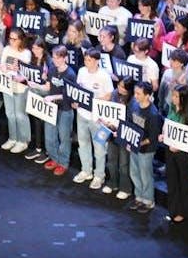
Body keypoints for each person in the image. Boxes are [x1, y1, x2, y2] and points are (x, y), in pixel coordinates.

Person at [72, 49, 114, 189]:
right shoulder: (82, 71)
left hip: (98, 118)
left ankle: (99, 176)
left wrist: (93, 101)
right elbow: (78, 89)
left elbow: (109, 95)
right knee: (83, 143)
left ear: (97, 61)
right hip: (82, 114)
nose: (86, 62)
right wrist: (76, 101)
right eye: (85, 59)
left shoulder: (104, 76)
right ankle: (86, 170)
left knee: (99, 148)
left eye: (89, 60)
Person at [162, 84, 188, 224]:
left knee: (184, 182)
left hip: (184, 154)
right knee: (172, 180)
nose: (173, 98)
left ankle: (184, 212)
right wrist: (164, 135)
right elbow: (168, 124)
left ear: (184, 98)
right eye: (173, 95)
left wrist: (180, 147)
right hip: (170, 150)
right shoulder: (172, 108)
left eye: (176, 96)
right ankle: (173, 210)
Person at [38, 45, 77, 176]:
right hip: (52, 108)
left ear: (65, 58)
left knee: (64, 138)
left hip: (65, 109)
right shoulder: (52, 69)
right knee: (49, 136)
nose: (55, 60)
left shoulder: (70, 74)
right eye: (54, 58)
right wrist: (36, 85)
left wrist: (52, 97)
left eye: (58, 58)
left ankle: (63, 163)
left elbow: (68, 95)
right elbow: (48, 86)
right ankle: (54, 158)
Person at [127, 81, 162, 213]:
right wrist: (129, 141)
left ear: (147, 96)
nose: (135, 96)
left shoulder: (153, 114)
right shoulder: (134, 105)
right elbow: (129, 123)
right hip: (135, 145)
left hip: (146, 149)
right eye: (135, 93)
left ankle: (148, 200)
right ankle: (139, 196)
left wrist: (137, 143)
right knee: (134, 172)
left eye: (138, 94)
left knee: (145, 175)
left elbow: (153, 137)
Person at [0, 28, 32, 153]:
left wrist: (15, 70)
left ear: (21, 40)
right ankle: (13, 138)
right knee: (10, 114)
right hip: (7, 85)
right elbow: (2, 65)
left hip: (20, 88)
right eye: (10, 38)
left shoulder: (26, 53)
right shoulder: (6, 49)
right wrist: (5, 68)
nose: (11, 41)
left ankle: (23, 141)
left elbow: (25, 71)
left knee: (20, 114)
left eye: (14, 39)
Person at [101, 77, 135, 199]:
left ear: (128, 89)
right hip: (112, 131)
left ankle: (125, 188)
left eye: (122, 87)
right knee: (111, 159)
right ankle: (112, 183)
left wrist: (121, 130)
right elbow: (108, 110)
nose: (119, 88)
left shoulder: (133, 100)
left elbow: (132, 120)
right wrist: (106, 121)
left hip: (125, 134)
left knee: (124, 163)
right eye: (119, 85)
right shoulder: (114, 94)